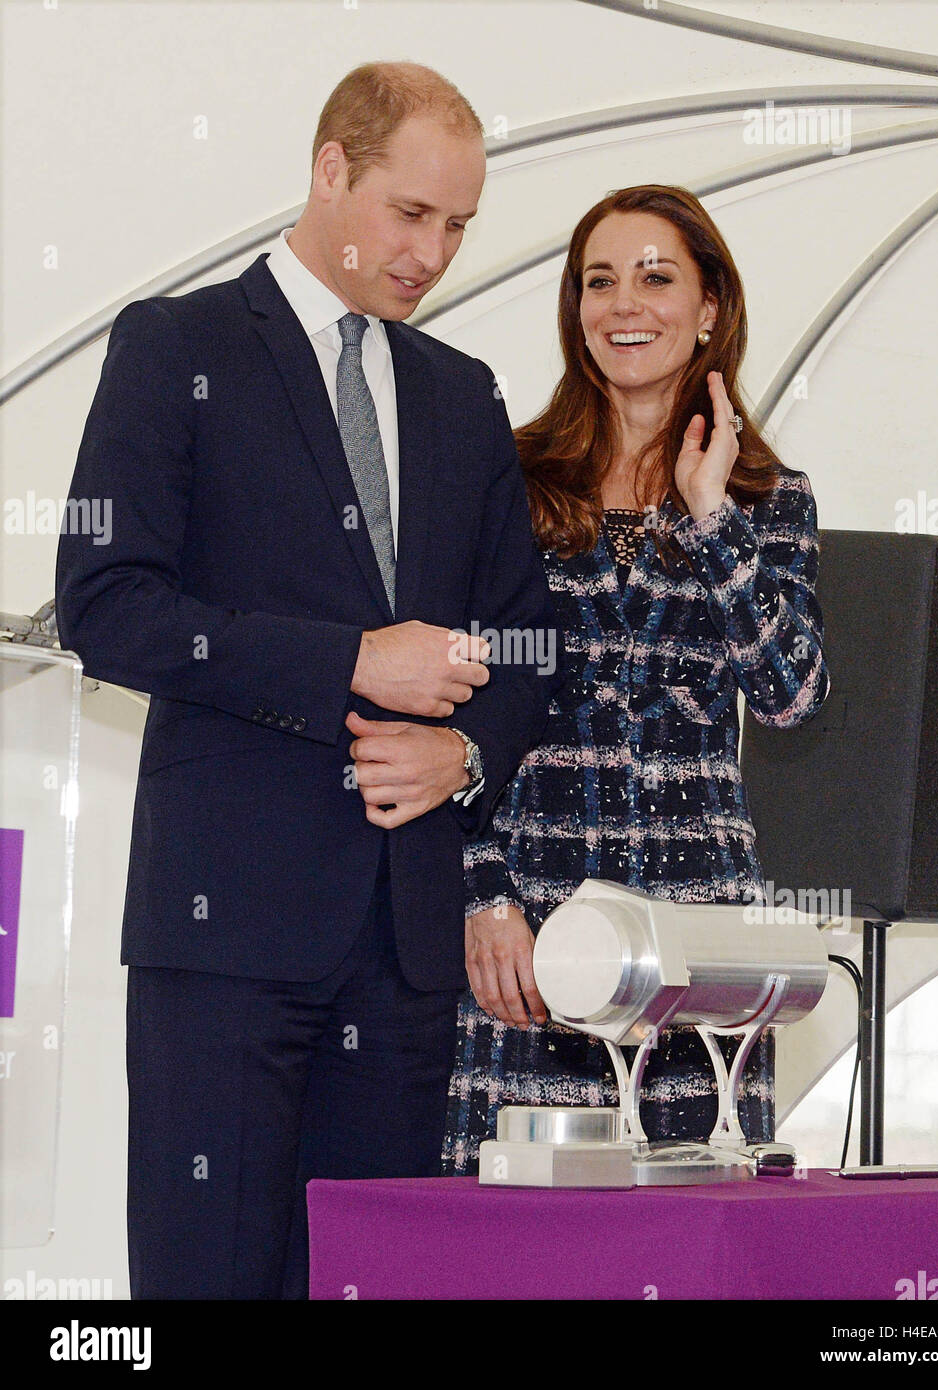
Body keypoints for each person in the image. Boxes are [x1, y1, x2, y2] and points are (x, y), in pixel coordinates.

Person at [55, 61, 562, 1298]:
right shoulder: (171, 345)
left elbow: (531, 643)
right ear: (331, 168)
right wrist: (350, 660)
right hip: (224, 935)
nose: (431, 253)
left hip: (402, 947)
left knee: (371, 1283)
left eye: (458, 226)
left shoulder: (464, 395)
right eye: (410, 213)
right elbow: (105, 603)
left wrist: (468, 750)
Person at [441, 184, 830, 1175]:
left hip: (702, 951)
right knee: (518, 1255)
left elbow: (792, 691)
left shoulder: (766, 499)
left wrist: (710, 515)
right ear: (575, 311)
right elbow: (454, 703)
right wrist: (483, 893)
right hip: (537, 938)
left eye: (657, 277)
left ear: (710, 308)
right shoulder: (513, 482)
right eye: (600, 281)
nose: (627, 305)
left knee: (687, 1244)